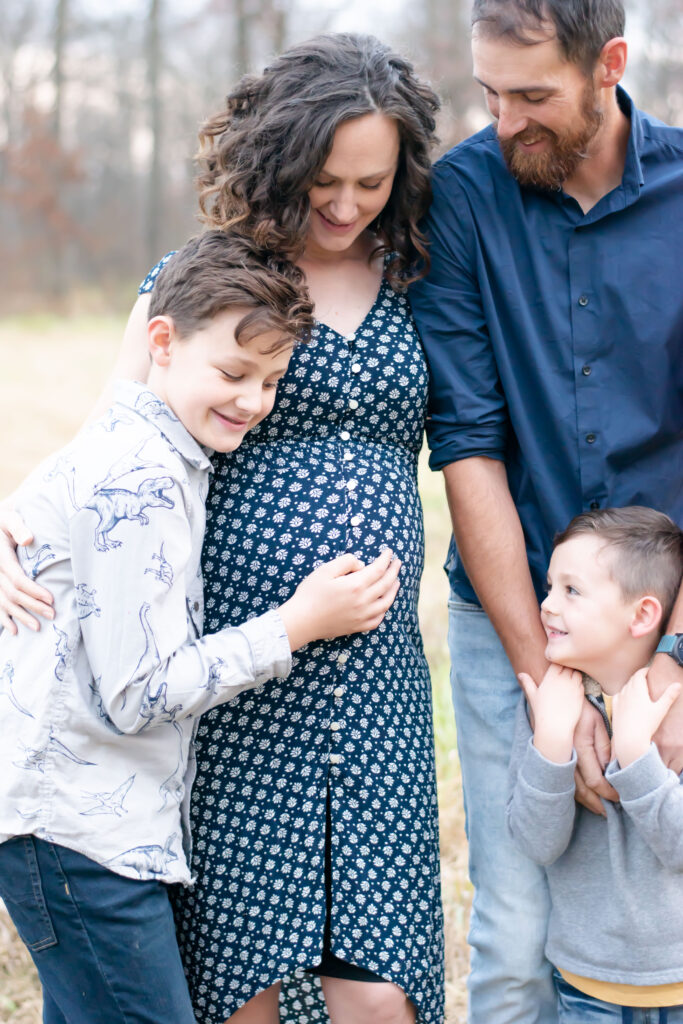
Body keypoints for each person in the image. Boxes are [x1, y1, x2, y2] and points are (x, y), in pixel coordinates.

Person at [0, 34, 445, 1024]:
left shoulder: (422, 275)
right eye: (322, 180)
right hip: (232, 670)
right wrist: (13, 523)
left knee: (381, 986)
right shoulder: (200, 277)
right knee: (243, 974)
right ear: (279, 163)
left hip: (373, 678)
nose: (343, 204)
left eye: (369, 182)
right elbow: (105, 447)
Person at [409, 1, 683, 1021]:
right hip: (512, 608)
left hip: (668, 614)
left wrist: (670, 660)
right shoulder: (463, 196)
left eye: (532, 96)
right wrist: (542, 687)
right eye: (487, 92)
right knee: (516, 938)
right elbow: (467, 444)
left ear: (608, 65)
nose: (503, 119)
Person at [508, 506, 683, 1022]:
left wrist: (633, 755)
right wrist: (551, 744)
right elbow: (537, 843)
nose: (546, 605)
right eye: (548, 587)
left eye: (571, 591)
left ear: (643, 615)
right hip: (589, 989)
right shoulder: (547, 703)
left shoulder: (676, 714)